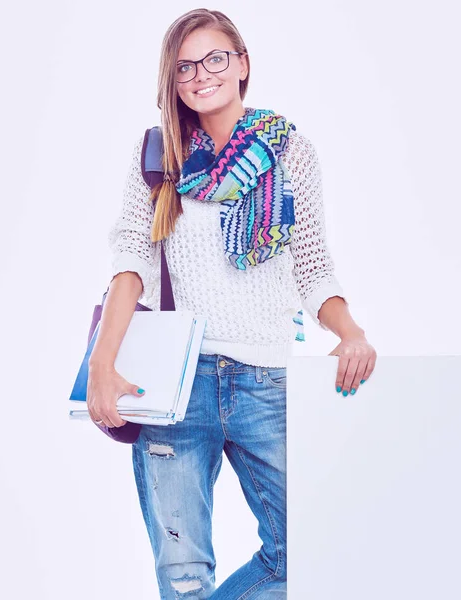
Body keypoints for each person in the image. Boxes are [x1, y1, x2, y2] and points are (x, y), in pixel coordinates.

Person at [87, 8, 377, 599]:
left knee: (304, 554)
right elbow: (132, 264)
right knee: (183, 577)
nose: (201, 75)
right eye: (186, 66)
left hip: (266, 380)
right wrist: (102, 362)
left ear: (242, 64)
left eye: (216, 58)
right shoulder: (157, 156)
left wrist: (350, 333)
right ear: (173, 79)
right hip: (175, 388)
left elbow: (313, 264)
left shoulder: (290, 151)